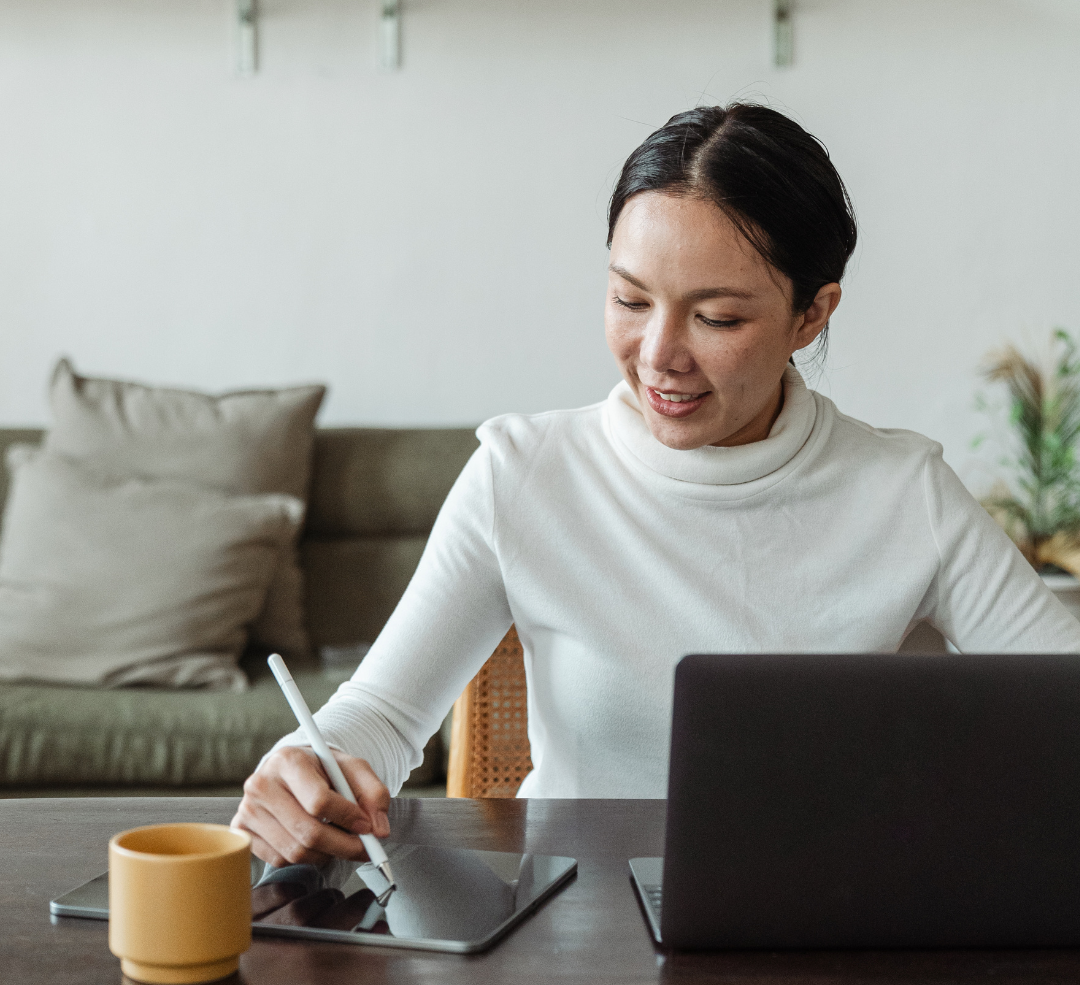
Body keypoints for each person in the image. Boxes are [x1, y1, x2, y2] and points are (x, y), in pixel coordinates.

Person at [233, 103, 1080, 867]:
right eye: (629, 300)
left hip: (835, 932)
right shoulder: (523, 474)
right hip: (577, 943)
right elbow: (379, 717)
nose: (659, 355)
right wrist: (305, 766)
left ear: (812, 314)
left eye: (717, 318)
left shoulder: (905, 495)